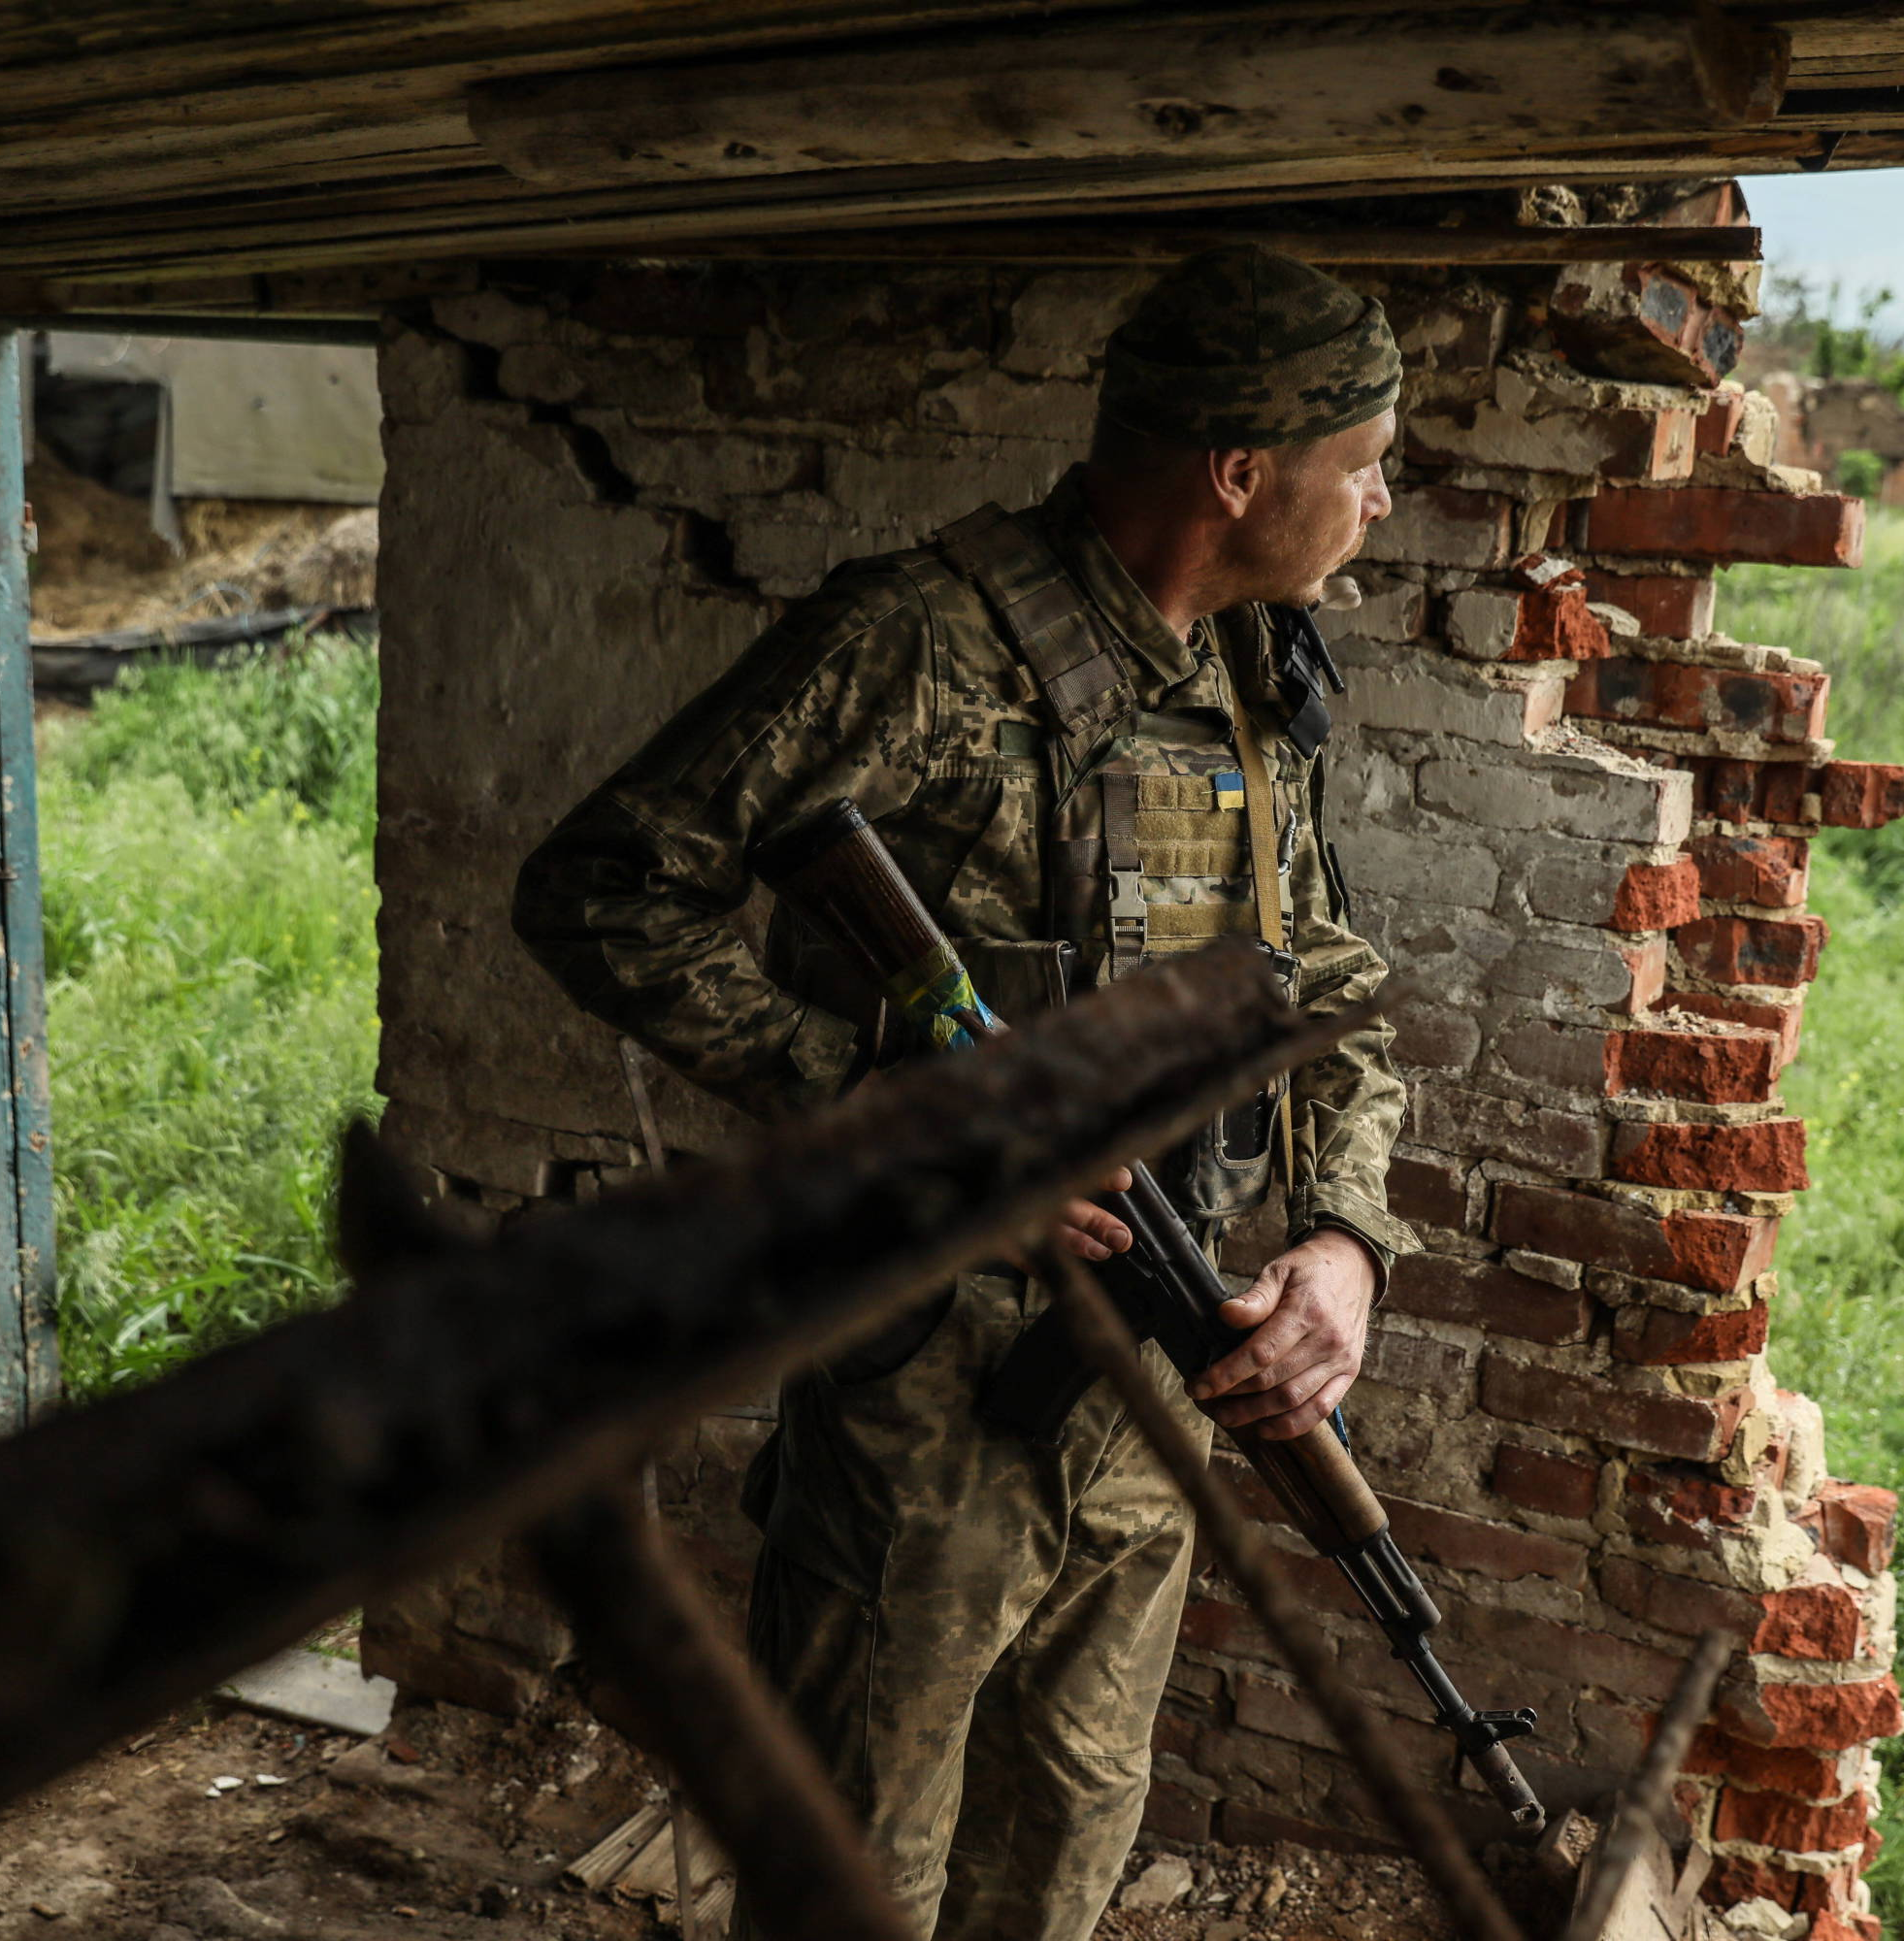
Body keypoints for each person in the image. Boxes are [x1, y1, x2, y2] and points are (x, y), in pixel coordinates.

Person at [513, 245, 1417, 1941]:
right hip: (923, 1380)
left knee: (1069, 1830)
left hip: (1159, 1354)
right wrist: (886, 1113)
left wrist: (1346, 1241)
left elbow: (1324, 983)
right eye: (1362, 463)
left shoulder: (1249, 669)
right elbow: (606, 888)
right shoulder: (918, 642)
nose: (1380, 501)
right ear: (1239, 472)